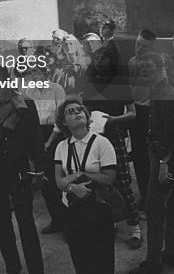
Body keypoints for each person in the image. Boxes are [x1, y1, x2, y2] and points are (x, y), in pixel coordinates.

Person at [0, 65, 45, 274]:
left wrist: (39, 169)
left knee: (26, 224)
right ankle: (12, 267)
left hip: (18, 171)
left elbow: (35, 140)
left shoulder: (25, 105)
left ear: (8, 81)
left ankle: (36, 269)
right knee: (0, 224)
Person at [82, 33, 142, 249]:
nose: (99, 62)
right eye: (97, 59)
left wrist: (115, 120)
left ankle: (134, 228)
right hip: (94, 136)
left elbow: (133, 113)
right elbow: (84, 106)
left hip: (114, 134)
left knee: (122, 182)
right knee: (98, 181)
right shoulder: (90, 80)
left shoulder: (119, 83)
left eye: (103, 59)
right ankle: (111, 222)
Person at [54, 96, 117, 274]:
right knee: (80, 259)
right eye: (70, 111)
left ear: (87, 116)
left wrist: (81, 174)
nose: (76, 113)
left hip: (99, 209)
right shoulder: (61, 147)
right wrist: (74, 188)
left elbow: (109, 178)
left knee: (102, 261)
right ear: (64, 122)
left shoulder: (102, 143)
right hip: (73, 210)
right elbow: (59, 180)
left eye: (79, 110)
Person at [130, 53, 174, 274]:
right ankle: (170, 255)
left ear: (160, 68)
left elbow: (170, 134)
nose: (144, 72)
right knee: (170, 208)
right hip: (162, 156)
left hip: (164, 158)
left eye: (148, 68)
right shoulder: (158, 92)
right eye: (141, 69)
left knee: (155, 210)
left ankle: (153, 263)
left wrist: (164, 163)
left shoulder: (166, 94)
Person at [16, 61, 66, 234]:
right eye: (31, 72)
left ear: (45, 74)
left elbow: (61, 119)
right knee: (45, 182)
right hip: (36, 136)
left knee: (59, 180)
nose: (34, 75)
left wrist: (48, 142)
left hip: (56, 136)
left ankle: (69, 225)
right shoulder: (28, 91)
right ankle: (57, 220)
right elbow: (24, 117)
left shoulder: (57, 89)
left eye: (38, 71)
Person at [128, 30, 157, 206]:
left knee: (152, 157)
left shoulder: (154, 63)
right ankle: (144, 195)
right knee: (138, 155)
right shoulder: (131, 61)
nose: (139, 48)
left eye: (144, 46)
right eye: (138, 43)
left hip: (150, 111)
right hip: (134, 111)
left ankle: (153, 199)